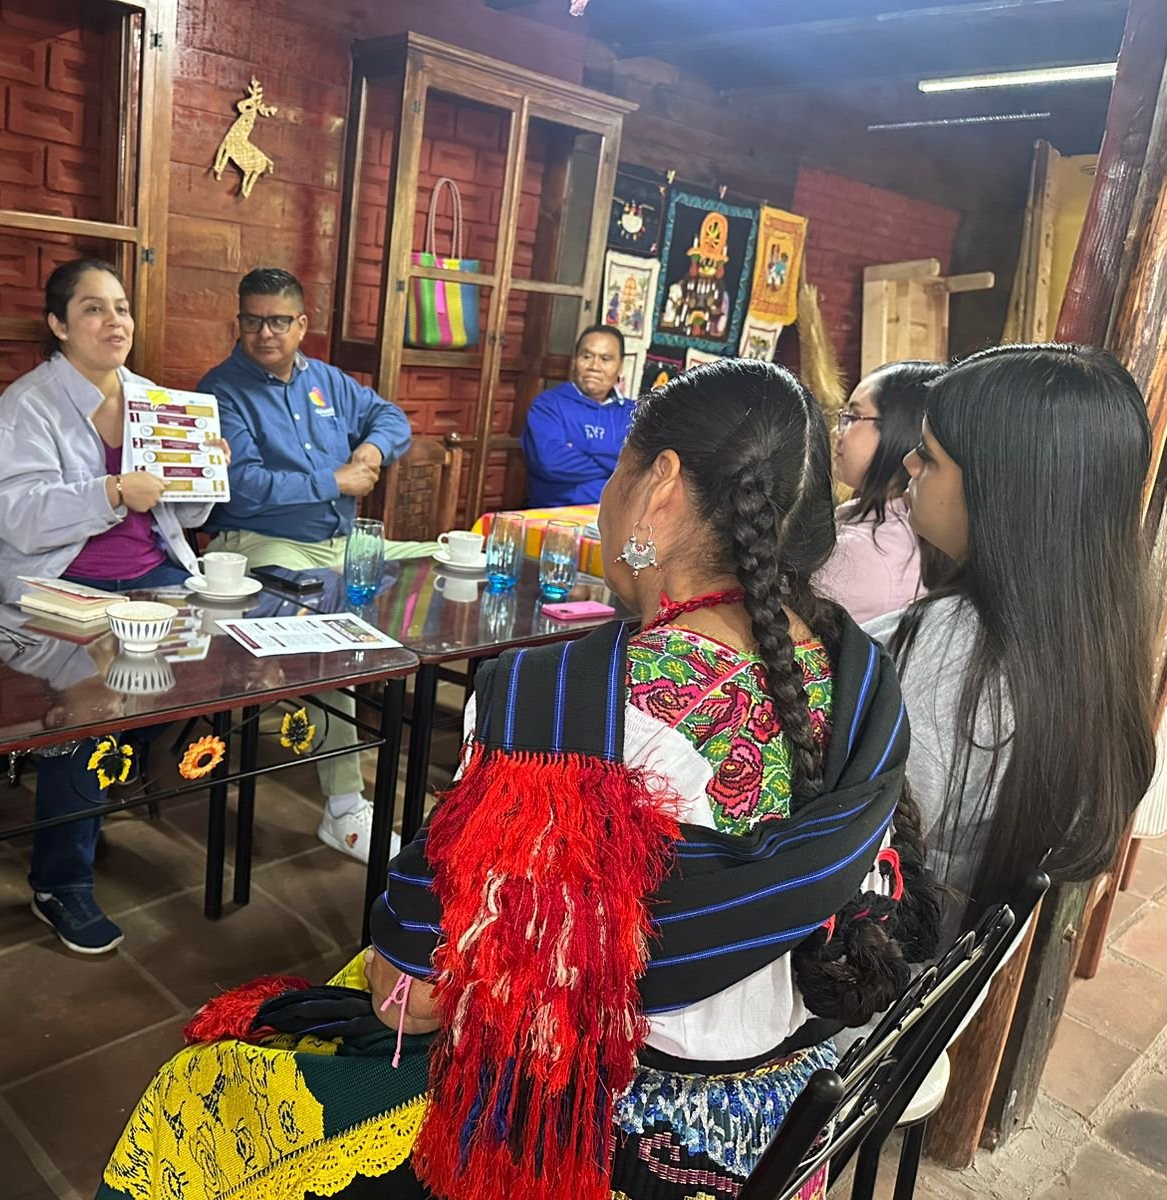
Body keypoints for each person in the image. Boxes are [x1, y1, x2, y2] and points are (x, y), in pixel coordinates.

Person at [100, 360, 939, 1200]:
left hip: (592, 1144)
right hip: (783, 1140)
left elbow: (415, 999)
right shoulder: (859, 675)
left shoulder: (560, 709)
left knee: (204, 1094)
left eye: (618, 470)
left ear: (660, 487)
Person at [866, 343, 1156, 937]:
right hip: (951, 948)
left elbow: (858, 861)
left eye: (930, 455)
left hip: (879, 961)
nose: (910, 464)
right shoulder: (1097, 633)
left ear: (1002, 490)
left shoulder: (938, 658)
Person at [0, 258, 220, 955]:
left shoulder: (153, 399)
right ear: (58, 325)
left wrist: (204, 470)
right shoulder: (29, 404)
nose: (115, 321)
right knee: (92, 703)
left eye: (121, 307)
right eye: (93, 308)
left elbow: (185, 515)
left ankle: (99, 785)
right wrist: (110, 491)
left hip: (155, 579)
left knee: (222, 670)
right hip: (61, 587)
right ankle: (61, 882)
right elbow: (10, 511)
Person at [198, 267, 433, 864]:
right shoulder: (221, 391)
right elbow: (242, 487)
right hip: (263, 544)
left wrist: (372, 448)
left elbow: (391, 418)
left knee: (443, 563)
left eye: (279, 320)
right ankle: (345, 808)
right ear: (239, 322)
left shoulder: (327, 381)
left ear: (302, 324)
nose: (265, 332)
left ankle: (468, 765)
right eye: (253, 320)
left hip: (343, 541)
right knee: (327, 625)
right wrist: (336, 480)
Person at [814, 361, 944, 622]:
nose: (836, 432)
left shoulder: (867, 552)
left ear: (900, 429)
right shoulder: (910, 525)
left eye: (853, 417)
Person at [520, 323, 635, 507]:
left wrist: (581, 450)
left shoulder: (635, 414)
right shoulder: (548, 405)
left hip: (618, 517)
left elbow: (642, 467)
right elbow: (551, 463)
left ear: (620, 366)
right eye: (587, 356)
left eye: (605, 359)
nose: (594, 366)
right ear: (574, 361)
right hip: (556, 514)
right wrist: (618, 461)